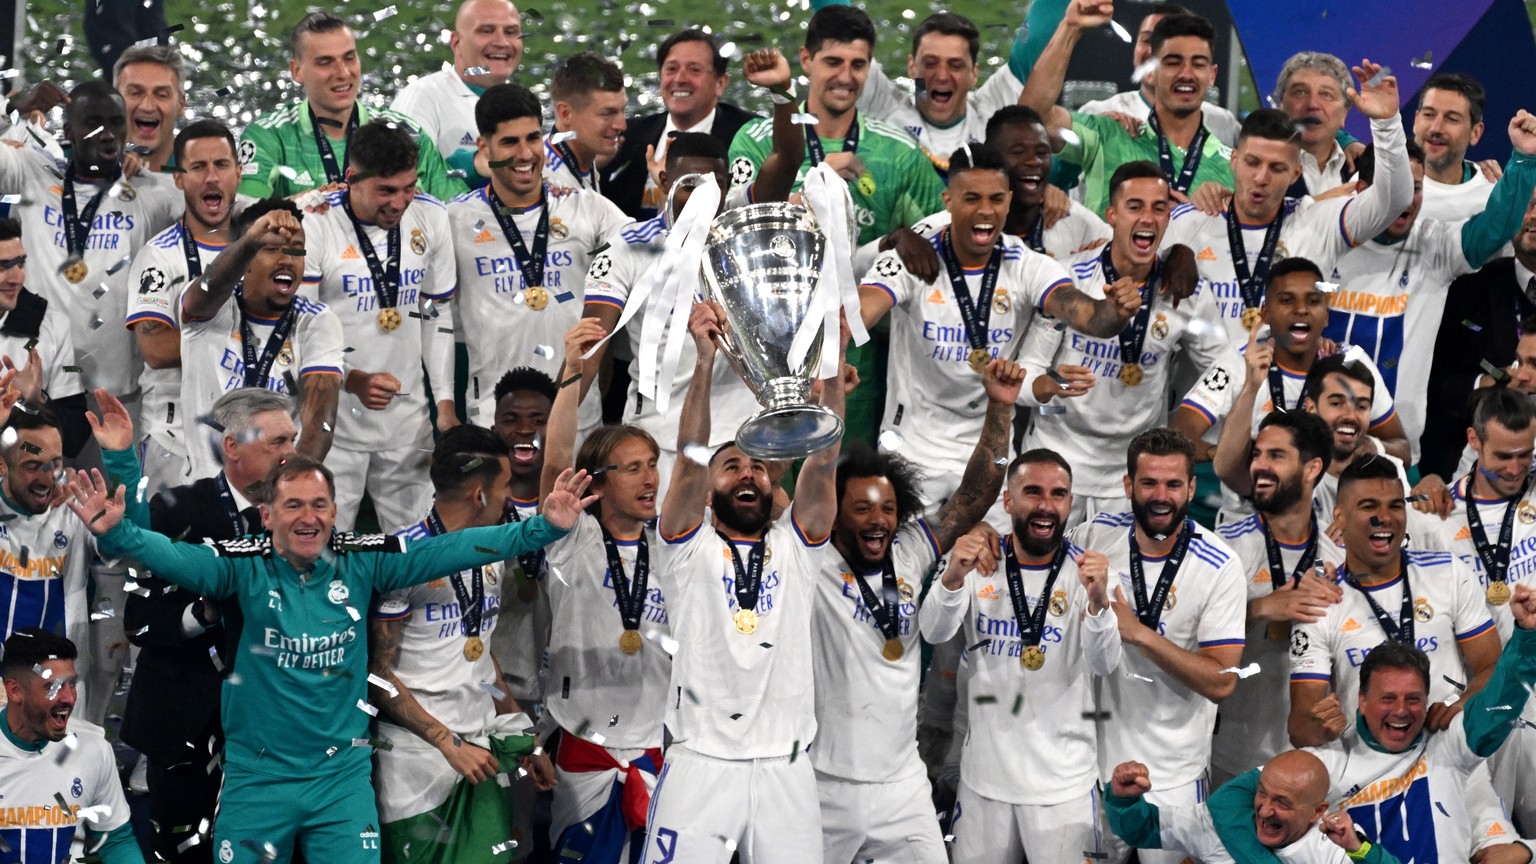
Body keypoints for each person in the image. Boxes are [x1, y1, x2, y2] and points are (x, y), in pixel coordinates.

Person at [62, 451, 595, 864]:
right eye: (293, 505)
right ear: (267, 515)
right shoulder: (240, 567)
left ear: (336, 512)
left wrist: (543, 527)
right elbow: (174, 557)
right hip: (257, 780)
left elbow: (451, 549)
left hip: (341, 783)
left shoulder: (362, 560)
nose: (308, 517)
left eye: (319, 505)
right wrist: (122, 531)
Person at [640, 300, 845, 864]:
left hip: (786, 765)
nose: (747, 473)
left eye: (756, 466)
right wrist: (703, 361)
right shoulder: (686, 547)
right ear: (710, 489)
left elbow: (823, 463)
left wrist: (833, 358)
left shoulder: (797, 550)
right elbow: (685, 461)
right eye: (731, 466)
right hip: (701, 760)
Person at [812, 357, 1023, 864]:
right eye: (861, 508)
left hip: (903, 783)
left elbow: (975, 495)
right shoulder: (809, 559)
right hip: (823, 784)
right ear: (835, 512)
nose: (878, 520)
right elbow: (807, 474)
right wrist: (825, 398)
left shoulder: (909, 550)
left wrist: (1000, 409)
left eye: (886, 508)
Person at [858, 144, 1141, 518]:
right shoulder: (916, 257)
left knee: (990, 569)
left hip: (989, 451)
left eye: (995, 198)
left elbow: (1088, 316)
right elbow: (863, 309)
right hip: (911, 449)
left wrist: (1116, 312)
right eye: (971, 198)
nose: (985, 210)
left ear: (1009, 201)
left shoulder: (1026, 265)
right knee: (899, 567)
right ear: (949, 202)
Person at [919, 448, 1123, 863]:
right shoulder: (979, 562)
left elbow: (1105, 665)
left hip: (1063, 788)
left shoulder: (1089, 574)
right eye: (1032, 492)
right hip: (984, 785)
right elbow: (934, 630)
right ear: (1008, 501)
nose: (1046, 505)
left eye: (1058, 494)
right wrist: (953, 574)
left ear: (1070, 503)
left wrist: (1100, 604)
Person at [120, 387, 296, 864]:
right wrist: (207, 612)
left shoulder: (300, 515)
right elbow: (139, 620)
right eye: (276, 442)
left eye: (292, 441)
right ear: (232, 446)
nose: (290, 454)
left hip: (274, 730)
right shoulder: (176, 509)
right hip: (187, 725)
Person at [1071, 427, 1247, 864]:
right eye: (1148, 483)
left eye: (1173, 484)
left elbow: (1223, 682)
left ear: (1191, 487)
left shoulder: (1219, 564)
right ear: (1128, 485)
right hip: (1092, 768)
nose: (1160, 495)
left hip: (1175, 776)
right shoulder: (1092, 536)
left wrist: (1138, 633)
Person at [1019, 161, 1228, 525]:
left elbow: (1227, 366)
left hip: (1132, 481)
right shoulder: (1067, 279)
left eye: (1159, 208)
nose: (1147, 218)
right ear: (1112, 214)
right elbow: (1025, 374)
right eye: (1135, 207)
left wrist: (1191, 423)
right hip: (1053, 468)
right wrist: (1047, 384)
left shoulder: (1186, 294)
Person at [1326, 113, 1536, 462]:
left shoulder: (1435, 246)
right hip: (1313, 443)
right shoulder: (1323, 234)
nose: (1405, 199)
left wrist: (1524, 160)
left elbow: (1496, 230)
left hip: (1396, 452)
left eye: (1416, 188)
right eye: (1394, 187)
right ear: (1361, 190)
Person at [535, 320, 667, 862]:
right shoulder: (574, 541)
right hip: (586, 752)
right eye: (633, 469)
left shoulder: (675, 546)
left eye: (654, 465)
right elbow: (554, 461)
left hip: (660, 751)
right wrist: (571, 371)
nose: (651, 479)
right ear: (597, 480)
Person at [370, 425, 532, 863]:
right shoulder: (403, 559)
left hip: (479, 755)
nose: (510, 500)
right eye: (504, 488)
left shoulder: (491, 553)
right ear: (479, 496)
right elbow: (376, 675)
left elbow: (480, 653)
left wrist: (520, 729)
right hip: (415, 766)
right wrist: (446, 742)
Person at [300, 119, 458, 532]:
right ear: (351, 178)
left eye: (408, 188)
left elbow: (435, 314)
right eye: (386, 190)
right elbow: (300, 330)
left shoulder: (431, 217)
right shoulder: (316, 221)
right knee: (324, 546)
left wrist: (444, 405)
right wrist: (351, 380)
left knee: (415, 554)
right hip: (331, 423)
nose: (399, 202)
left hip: (408, 422)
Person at [448, 82, 628, 432]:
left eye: (532, 138)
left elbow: (654, 247)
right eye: (509, 142)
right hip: (494, 419)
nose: (526, 154)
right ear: (485, 148)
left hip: (578, 417)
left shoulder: (587, 209)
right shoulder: (455, 220)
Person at [1160, 98, 1412, 346]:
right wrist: (1169, 254)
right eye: (1252, 162)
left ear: (1295, 174)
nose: (1261, 177)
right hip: (1201, 385)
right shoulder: (1187, 223)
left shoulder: (1318, 222)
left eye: (1277, 168)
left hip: (1285, 385)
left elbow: (1395, 200)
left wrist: (1386, 124)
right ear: (1234, 161)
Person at [0, 79, 180, 400]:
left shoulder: (150, 192)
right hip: (35, 390)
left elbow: (221, 208)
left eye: (114, 122)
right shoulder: (33, 174)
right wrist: (15, 108)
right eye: (93, 123)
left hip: (115, 395)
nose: (107, 133)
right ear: (68, 131)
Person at [1309, 614, 1536, 864]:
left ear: (1427, 699)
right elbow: (1263, 805)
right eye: (1388, 698)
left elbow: (1498, 704)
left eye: (1413, 699)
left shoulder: (1447, 743)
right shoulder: (1326, 765)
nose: (1400, 710)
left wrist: (1527, 638)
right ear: (1362, 700)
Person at [1189, 258, 1404, 494]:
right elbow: (1183, 433)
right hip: (1249, 512)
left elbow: (1402, 448)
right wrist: (1230, 455)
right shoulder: (1240, 361)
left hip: (1328, 517)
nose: (1301, 309)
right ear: (1266, 313)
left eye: (1313, 301)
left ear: (1326, 315)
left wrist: (1370, 446)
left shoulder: (1351, 361)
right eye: (1286, 300)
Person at [1209, 411, 1344, 784]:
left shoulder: (1339, 558)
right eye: (1257, 455)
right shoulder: (1224, 549)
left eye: (1276, 456)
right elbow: (1185, 636)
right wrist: (1260, 608)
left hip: (1314, 756)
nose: (1259, 467)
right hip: (1231, 753)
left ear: (1312, 467)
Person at [0, 391, 141, 725]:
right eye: (33, 466)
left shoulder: (77, 504)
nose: (48, 479)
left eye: (55, 464)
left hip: (57, 698)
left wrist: (122, 459)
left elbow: (139, 550)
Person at [178, 199, 342, 481]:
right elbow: (206, 291)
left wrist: (285, 488)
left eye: (295, 250)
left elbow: (319, 423)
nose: (287, 260)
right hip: (208, 490)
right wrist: (252, 238)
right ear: (246, 259)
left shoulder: (316, 320)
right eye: (270, 249)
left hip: (277, 491)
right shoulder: (214, 306)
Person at [1019, 4, 1234, 216]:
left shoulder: (1234, 166)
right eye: (1172, 63)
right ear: (1151, 72)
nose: (1186, 74)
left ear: (1212, 75)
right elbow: (1030, 121)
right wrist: (1070, 28)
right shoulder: (1108, 133)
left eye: (1198, 64)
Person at [127, 120, 244, 495]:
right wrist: (244, 332)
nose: (212, 178)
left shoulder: (261, 242)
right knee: (170, 552)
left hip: (247, 438)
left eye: (221, 165)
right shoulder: (158, 257)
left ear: (238, 172)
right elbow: (156, 349)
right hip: (173, 439)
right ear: (178, 178)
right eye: (198, 167)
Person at [238, 12, 466, 200]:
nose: (343, 73)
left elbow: (459, 210)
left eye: (349, 58)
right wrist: (311, 201)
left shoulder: (406, 133)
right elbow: (244, 215)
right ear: (297, 71)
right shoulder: (269, 136)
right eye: (325, 62)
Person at [805, 3, 1034, 176]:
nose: (942, 76)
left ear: (974, 72)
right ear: (912, 66)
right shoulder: (885, 106)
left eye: (955, 65)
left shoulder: (991, 111)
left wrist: (1071, 24)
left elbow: (1034, 47)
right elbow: (838, 19)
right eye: (930, 63)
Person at [1, 628, 144, 864]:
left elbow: (116, 839)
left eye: (72, 684)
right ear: (15, 690)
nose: (68, 698)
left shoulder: (92, 748)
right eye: (53, 687)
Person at [1104, 750, 1400, 863]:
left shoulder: (1337, 844)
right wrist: (1123, 799)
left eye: (1282, 802)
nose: (1264, 810)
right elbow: (1146, 828)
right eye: (1262, 794)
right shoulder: (1221, 822)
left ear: (1317, 812)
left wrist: (1359, 849)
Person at [598, 29, 758, 219]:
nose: (680, 79)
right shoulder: (627, 135)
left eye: (694, 70)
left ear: (720, 83)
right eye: (671, 69)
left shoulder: (749, 136)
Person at [390, 0, 524, 187]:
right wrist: (473, 166)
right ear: (456, 43)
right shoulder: (422, 97)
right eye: (486, 30)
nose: (502, 42)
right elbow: (400, 182)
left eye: (511, 32)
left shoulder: (523, 104)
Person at [1074, 1, 1243, 148]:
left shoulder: (1223, 124)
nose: (1152, 53)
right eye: (1147, 40)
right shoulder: (1098, 114)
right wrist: (1069, 28)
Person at [0, 218, 88, 456]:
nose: (16, 278)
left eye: (20, 263)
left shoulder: (51, 324)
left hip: (29, 485)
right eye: (2, 266)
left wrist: (35, 401)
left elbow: (74, 438)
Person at [1273, 51, 1359, 198]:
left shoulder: (1363, 168)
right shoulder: (1253, 165)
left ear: (1344, 113)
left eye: (1326, 94)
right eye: (1300, 92)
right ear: (1281, 105)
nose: (1312, 104)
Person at [1414, 73, 1494, 222]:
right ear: (1416, 121)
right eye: (1429, 114)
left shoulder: (1492, 199)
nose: (1436, 128)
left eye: (1452, 119)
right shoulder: (1376, 182)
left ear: (1475, 133)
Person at [546, 52, 627, 192]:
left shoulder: (583, 163)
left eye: (623, 110)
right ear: (566, 113)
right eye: (606, 114)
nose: (622, 125)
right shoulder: (548, 185)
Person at [114, 44, 187, 174]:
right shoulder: (77, 164)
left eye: (162, 95)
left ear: (180, 105)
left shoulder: (206, 176)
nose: (147, 106)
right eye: (135, 93)